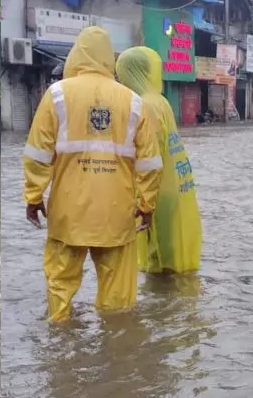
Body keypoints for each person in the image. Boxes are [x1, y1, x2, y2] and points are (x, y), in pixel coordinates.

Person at [23, 26, 162, 322]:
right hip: (116, 215)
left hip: (67, 215)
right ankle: (115, 352)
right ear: (109, 61)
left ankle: (60, 342)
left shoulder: (57, 95)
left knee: (59, 287)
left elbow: (37, 154)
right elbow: (150, 163)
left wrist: (33, 197)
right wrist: (147, 206)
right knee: (118, 304)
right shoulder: (133, 102)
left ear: (76, 55)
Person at [115, 46, 202, 276]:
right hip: (170, 191)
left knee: (161, 265)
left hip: (157, 195)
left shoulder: (146, 105)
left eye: (121, 73)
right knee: (170, 263)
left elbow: (148, 158)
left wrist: (145, 203)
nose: (120, 80)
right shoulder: (159, 101)